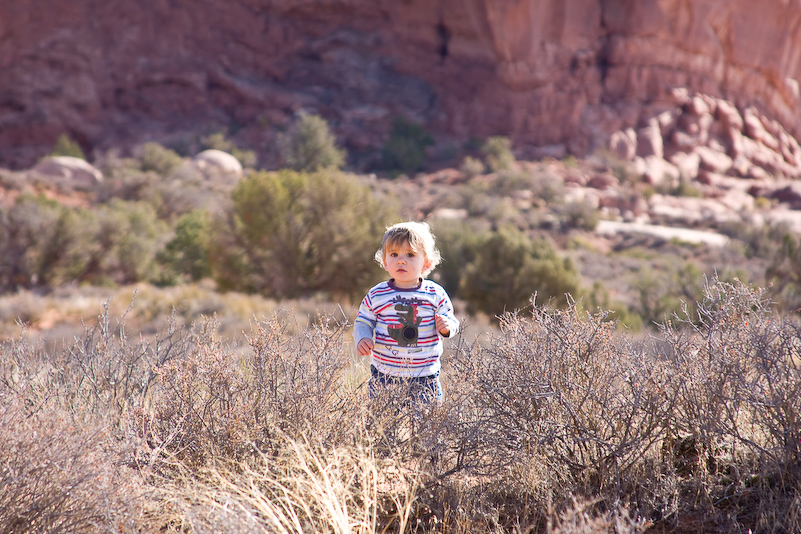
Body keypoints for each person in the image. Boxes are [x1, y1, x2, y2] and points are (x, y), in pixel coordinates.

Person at [354, 221, 459, 405]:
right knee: (382, 426)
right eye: (394, 254)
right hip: (384, 376)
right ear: (385, 261)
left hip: (425, 377)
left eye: (410, 255)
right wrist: (362, 337)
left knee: (426, 427)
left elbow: (451, 320)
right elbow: (363, 320)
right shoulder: (377, 294)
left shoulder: (435, 294)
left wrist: (446, 327)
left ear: (426, 263)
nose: (401, 260)